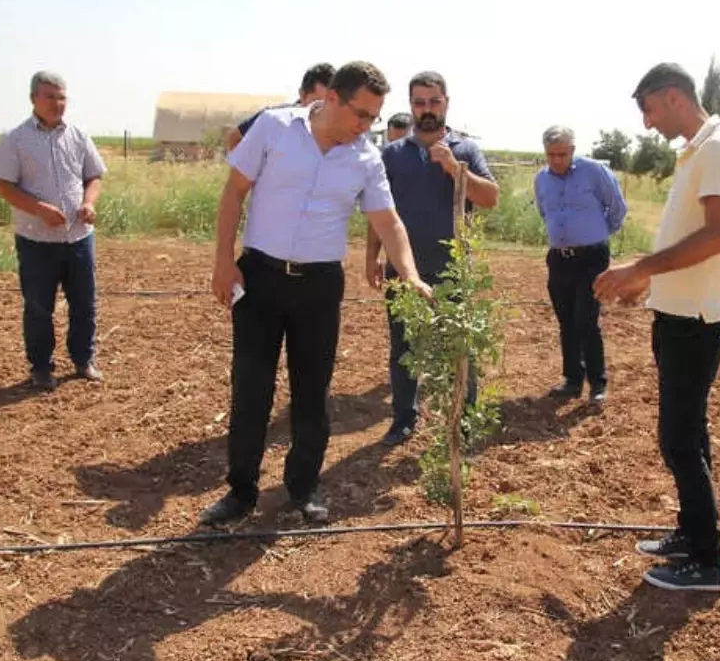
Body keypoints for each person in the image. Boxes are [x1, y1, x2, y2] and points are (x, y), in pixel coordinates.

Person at [202, 61, 431, 527]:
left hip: (320, 287)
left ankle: (304, 488)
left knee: (312, 393)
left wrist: (409, 274)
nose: (366, 127)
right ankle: (240, 491)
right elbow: (234, 193)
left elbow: (388, 222)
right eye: (361, 115)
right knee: (251, 388)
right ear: (331, 100)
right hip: (260, 279)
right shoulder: (273, 128)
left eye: (374, 118)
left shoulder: (366, 157)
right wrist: (224, 261)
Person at [594, 63, 720, 592]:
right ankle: (690, 532)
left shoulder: (717, 149)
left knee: (679, 441)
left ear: (675, 98)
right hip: (678, 314)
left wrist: (641, 269)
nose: (646, 123)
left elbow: (717, 236)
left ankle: (707, 562)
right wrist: (650, 285)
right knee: (690, 435)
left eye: (650, 109)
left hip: (696, 321)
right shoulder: (699, 151)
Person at [366, 71, 499, 447]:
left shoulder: (465, 150)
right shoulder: (390, 154)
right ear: (410, 106)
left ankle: (464, 418)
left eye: (434, 102)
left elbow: (490, 198)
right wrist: (372, 257)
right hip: (403, 270)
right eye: (419, 103)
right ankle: (404, 418)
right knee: (403, 346)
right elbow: (378, 211)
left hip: (452, 271)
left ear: (446, 103)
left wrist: (457, 171)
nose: (427, 110)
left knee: (458, 347)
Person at [0, 71, 106, 390]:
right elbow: (4, 185)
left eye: (62, 97)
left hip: (78, 237)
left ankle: (84, 360)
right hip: (37, 240)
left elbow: (94, 176)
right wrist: (39, 209)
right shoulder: (15, 139)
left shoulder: (78, 135)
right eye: (50, 97)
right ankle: (41, 367)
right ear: (33, 99)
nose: (57, 103)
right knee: (39, 306)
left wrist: (89, 203)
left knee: (84, 302)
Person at [534, 125, 627, 403]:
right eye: (551, 155)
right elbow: (543, 211)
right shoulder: (541, 179)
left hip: (591, 258)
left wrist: (596, 235)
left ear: (572, 150)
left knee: (586, 320)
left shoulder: (594, 171)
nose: (557, 160)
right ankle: (572, 380)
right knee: (567, 322)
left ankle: (597, 383)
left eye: (562, 154)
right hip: (559, 259)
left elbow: (617, 208)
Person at [224, 63, 335, 151]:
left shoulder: (341, 130)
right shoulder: (272, 119)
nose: (323, 110)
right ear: (302, 95)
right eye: (318, 103)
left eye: (330, 102)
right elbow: (234, 138)